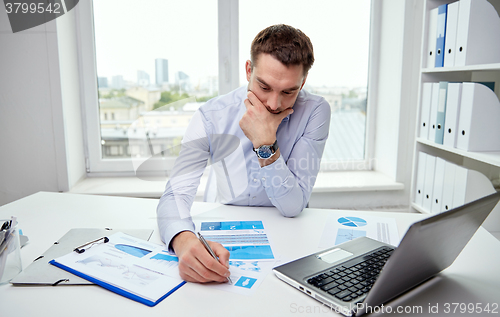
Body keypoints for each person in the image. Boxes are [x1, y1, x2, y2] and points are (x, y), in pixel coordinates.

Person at [157, 24, 331, 283]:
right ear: (249, 70)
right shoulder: (211, 115)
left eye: (288, 92)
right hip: (223, 224)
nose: (273, 104)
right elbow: (175, 194)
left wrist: (265, 142)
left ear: (303, 82)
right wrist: (182, 240)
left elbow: (293, 205)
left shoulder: (315, 111)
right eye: (264, 86)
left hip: (287, 234)